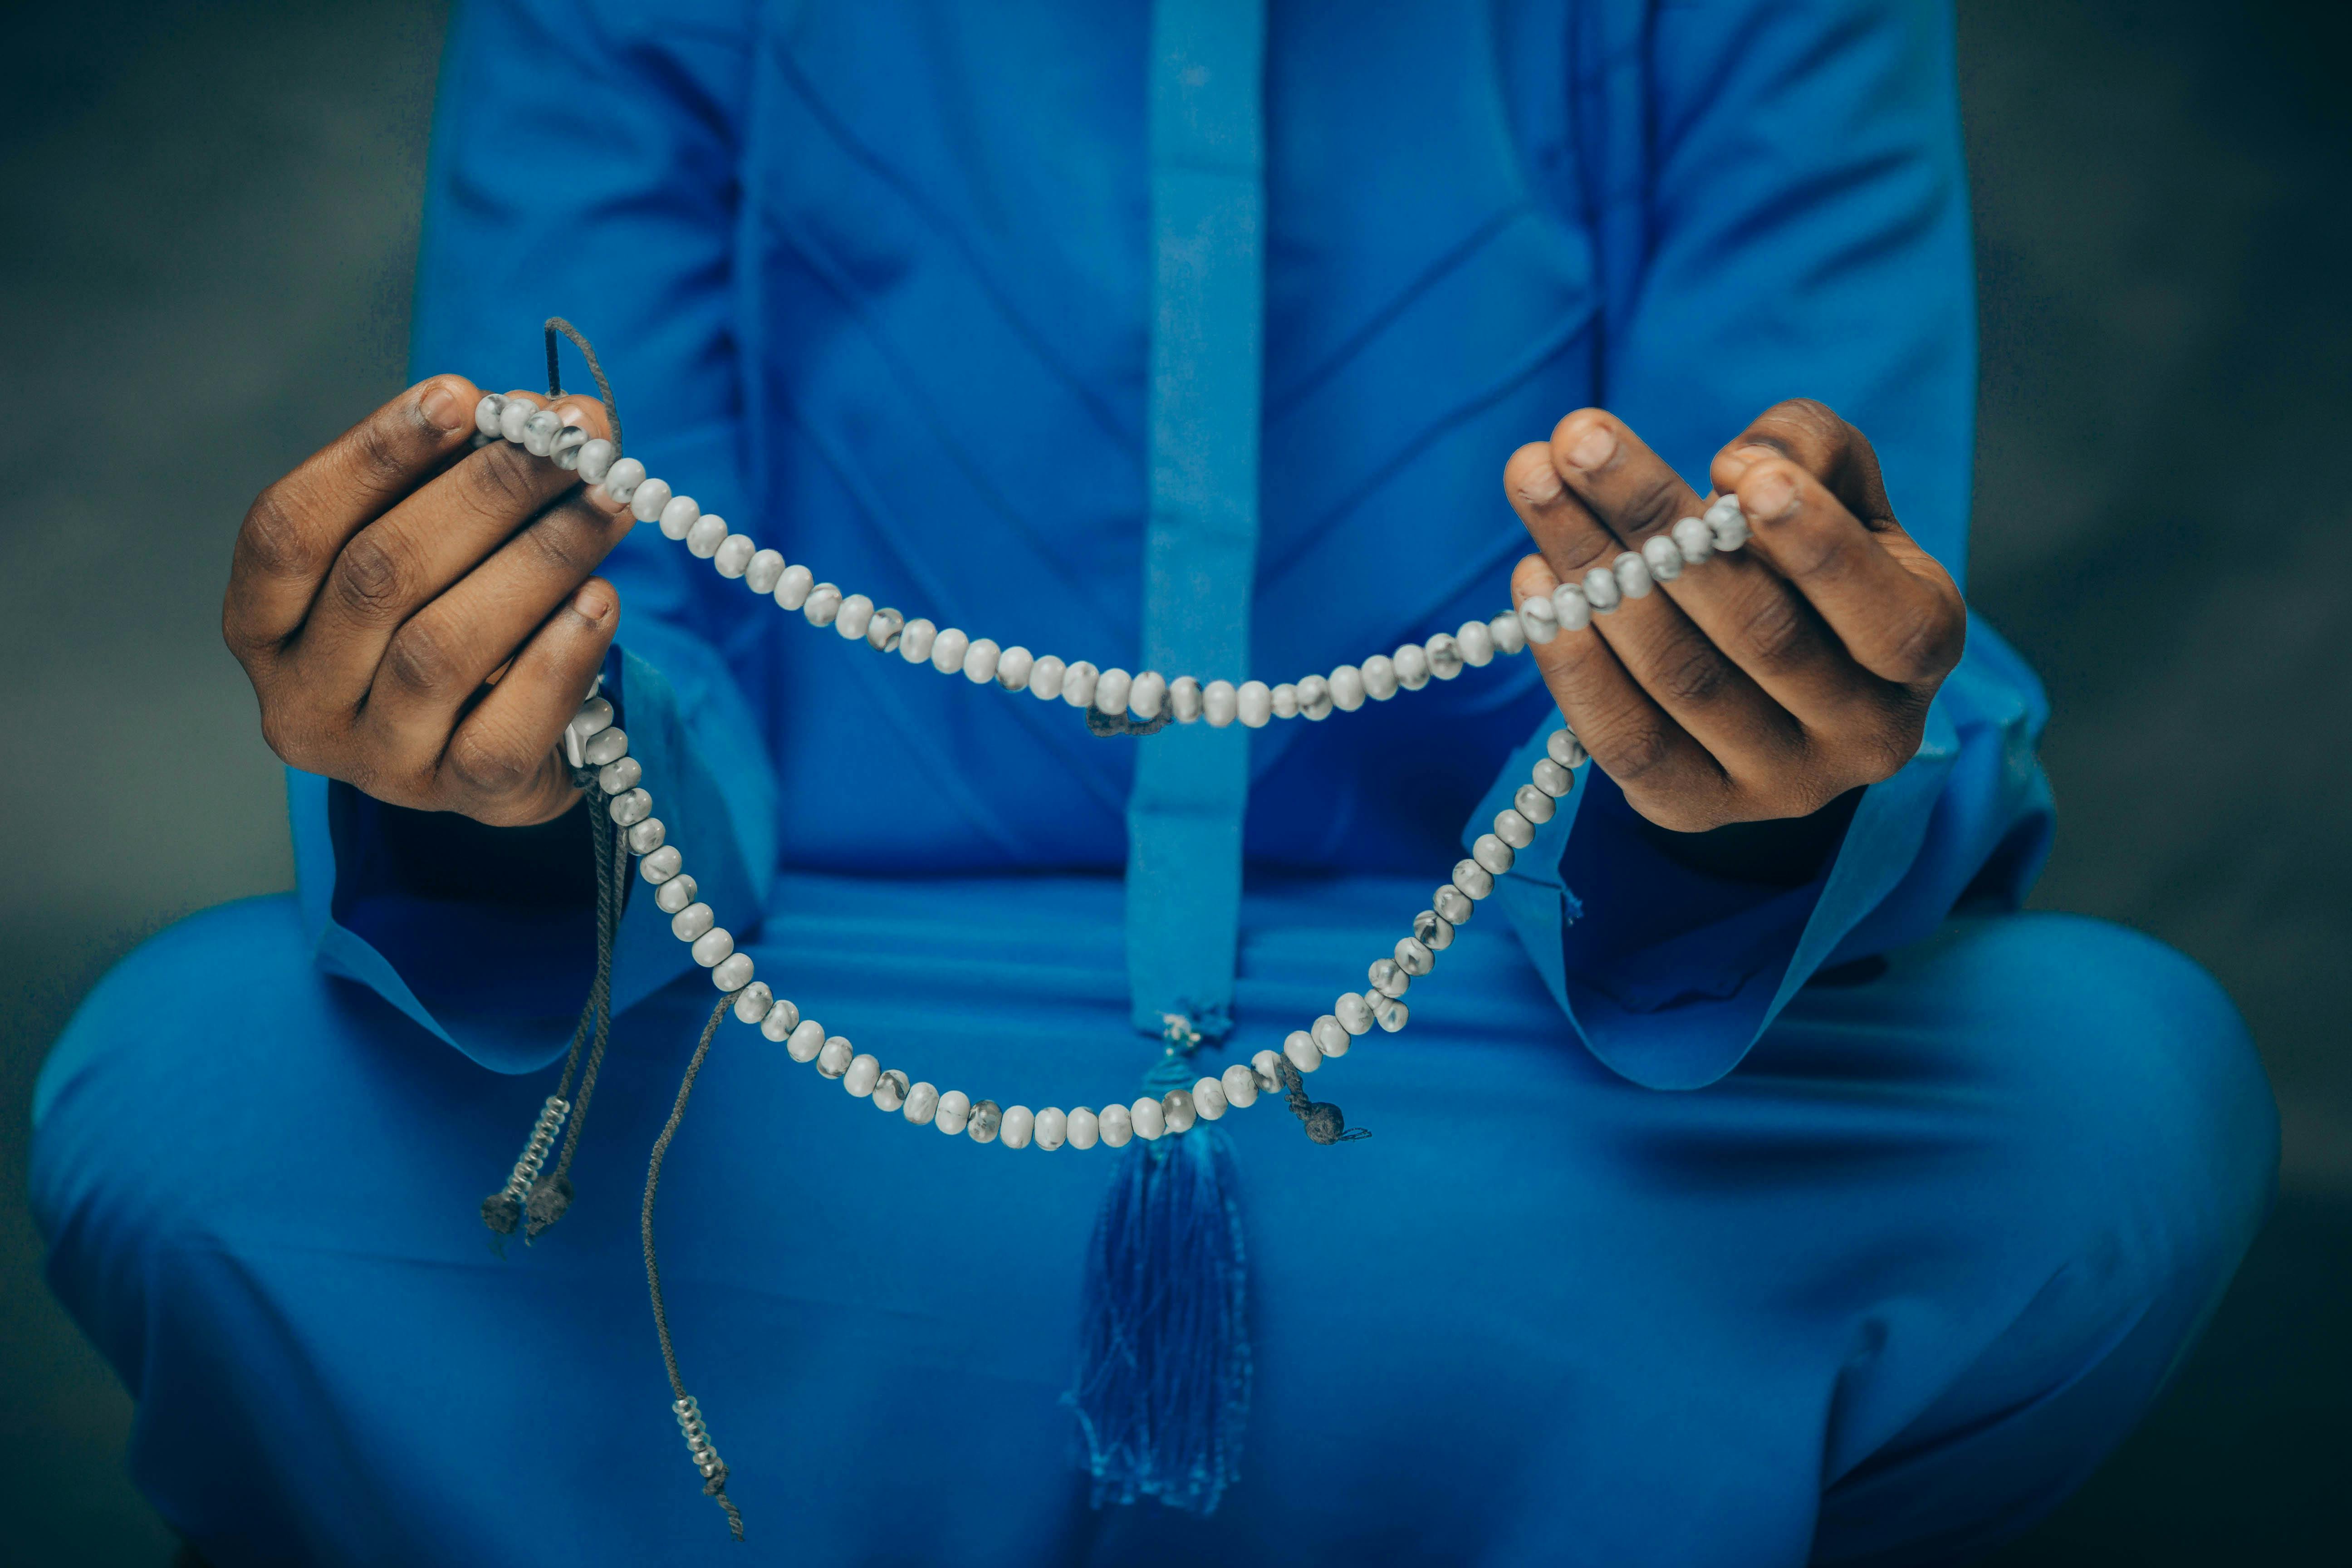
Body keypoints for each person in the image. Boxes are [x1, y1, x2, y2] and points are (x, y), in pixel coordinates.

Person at [33, 1, 2276, 1563]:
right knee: (190, 1082)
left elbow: (1843, 578)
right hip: (800, 1053)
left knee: (2105, 1081)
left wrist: (1758, 785)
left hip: (1492, 1052)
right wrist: (473, 764)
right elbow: (630, 634)